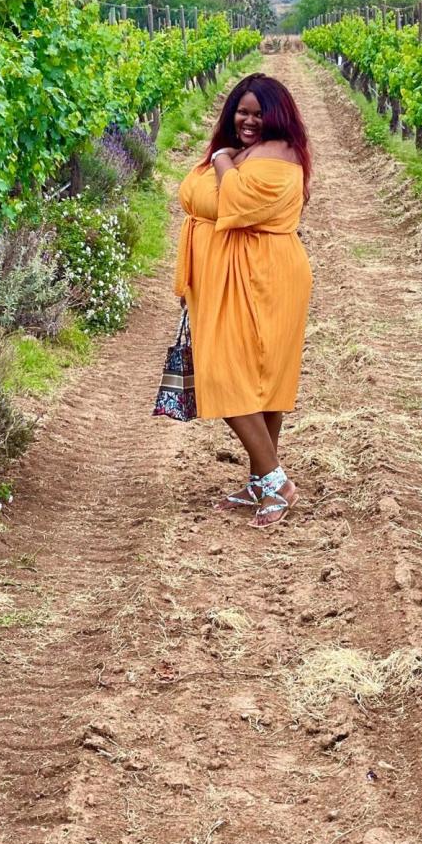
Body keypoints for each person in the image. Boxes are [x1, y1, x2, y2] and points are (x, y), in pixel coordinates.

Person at [174, 73, 313, 528]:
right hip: (234, 273)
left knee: (228, 375)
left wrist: (219, 161)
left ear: (278, 116)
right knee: (258, 378)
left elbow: (234, 199)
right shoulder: (246, 152)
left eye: (258, 113)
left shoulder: (278, 156)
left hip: (262, 274)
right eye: (242, 111)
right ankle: (259, 482)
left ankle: (276, 481)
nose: (249, 120)